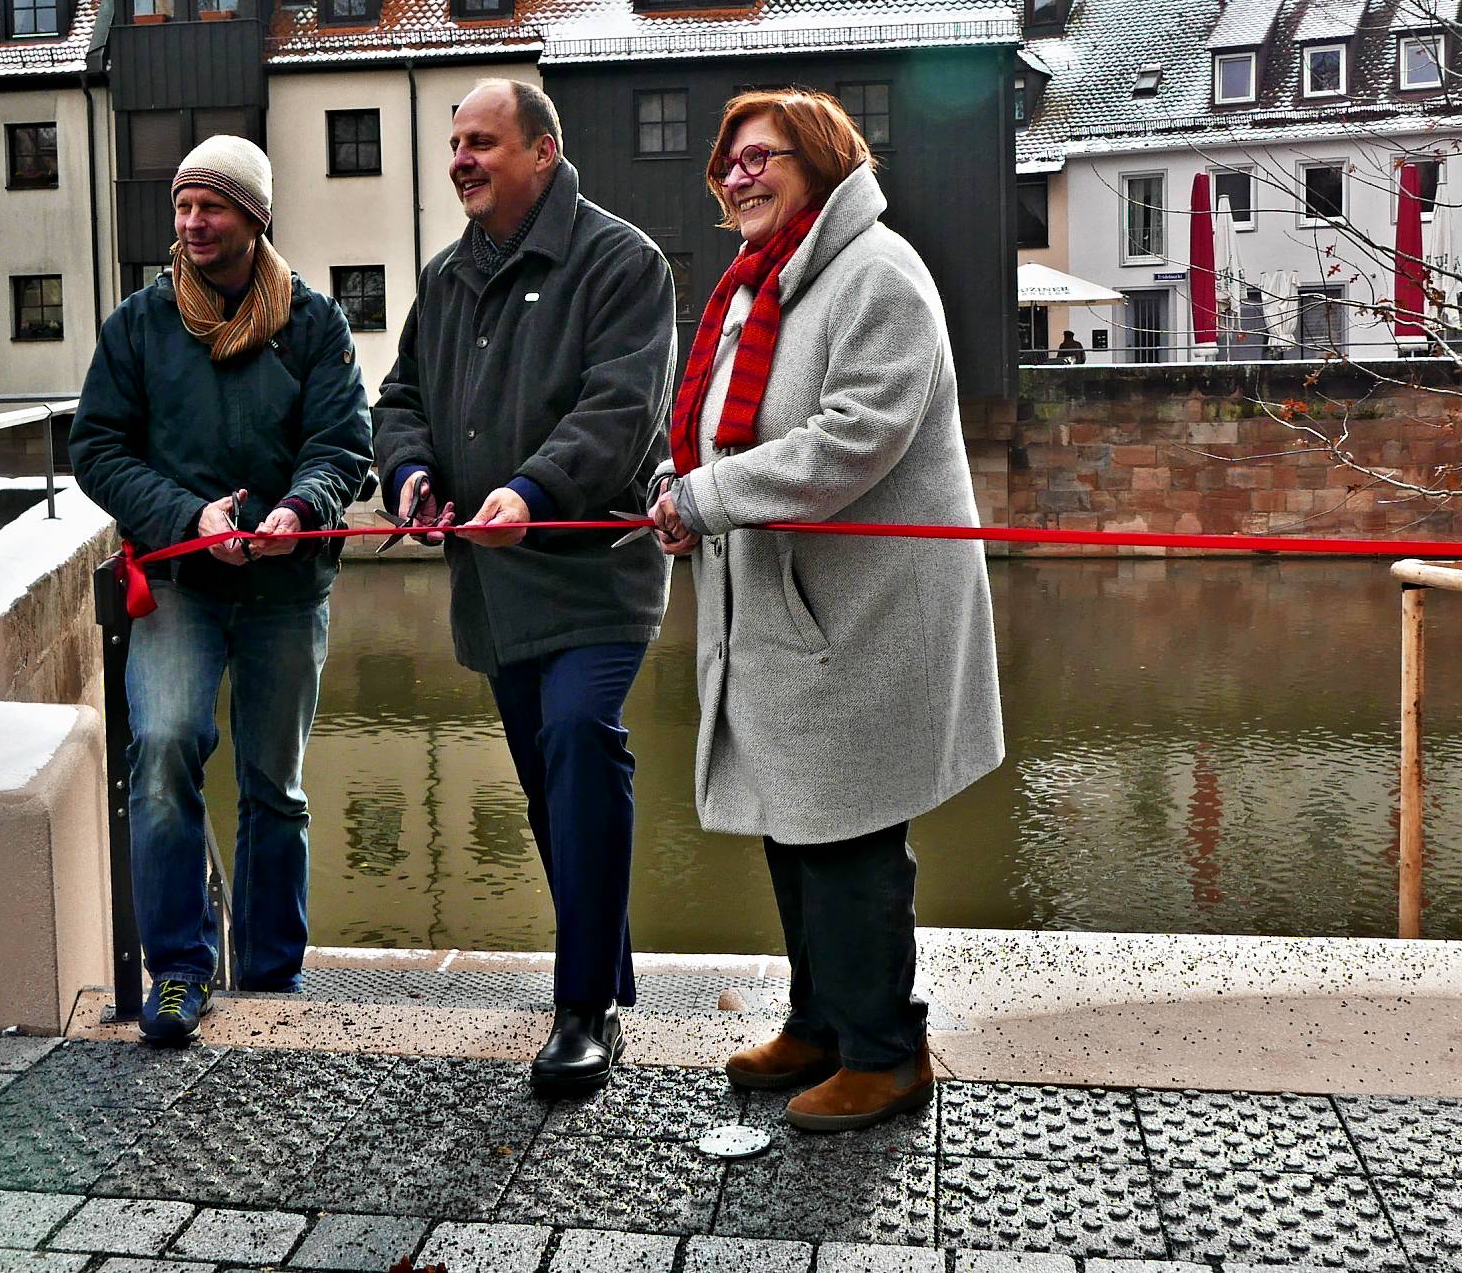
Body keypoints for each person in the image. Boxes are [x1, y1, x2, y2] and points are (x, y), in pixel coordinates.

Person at [650, 89, 1004, 1132]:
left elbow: (854, 438)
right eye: (729, 162)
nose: (738, 175)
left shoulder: (877, 274)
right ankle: (819, 1025)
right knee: (795, 820)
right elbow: (717, 432)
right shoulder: (762, 280)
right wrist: (681, 493)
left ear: (822, 160)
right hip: (786, 608)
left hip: (865, 614)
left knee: (849, 833)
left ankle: (886, 1054)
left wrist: (708, 497)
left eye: (761, 155)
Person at [373, 80, 677, 1094]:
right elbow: (401, 398)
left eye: (484, 142)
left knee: (581, 739)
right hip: (494, 584)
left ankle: (581, 1008)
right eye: (456, 142)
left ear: (543, 153)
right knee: (551, 793)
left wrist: (531, 488)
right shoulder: (446, 277)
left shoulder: (623, 261)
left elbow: (622, 407)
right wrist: (411, 473)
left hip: (593, 572)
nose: (462, 158)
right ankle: (604, 975)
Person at [69, 136, 372, 1045]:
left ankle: (272, 977)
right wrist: (189, 518)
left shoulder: (315, 324)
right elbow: (97, 449)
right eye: (184, 206)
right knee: (163, 751)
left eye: (213, 207)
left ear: (256, 217)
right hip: (178, 582)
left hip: (286, 586)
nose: (193, 223)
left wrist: (296, 511)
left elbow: (341, 446)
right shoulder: (139, 325)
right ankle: (178, 971)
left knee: (274, 783)